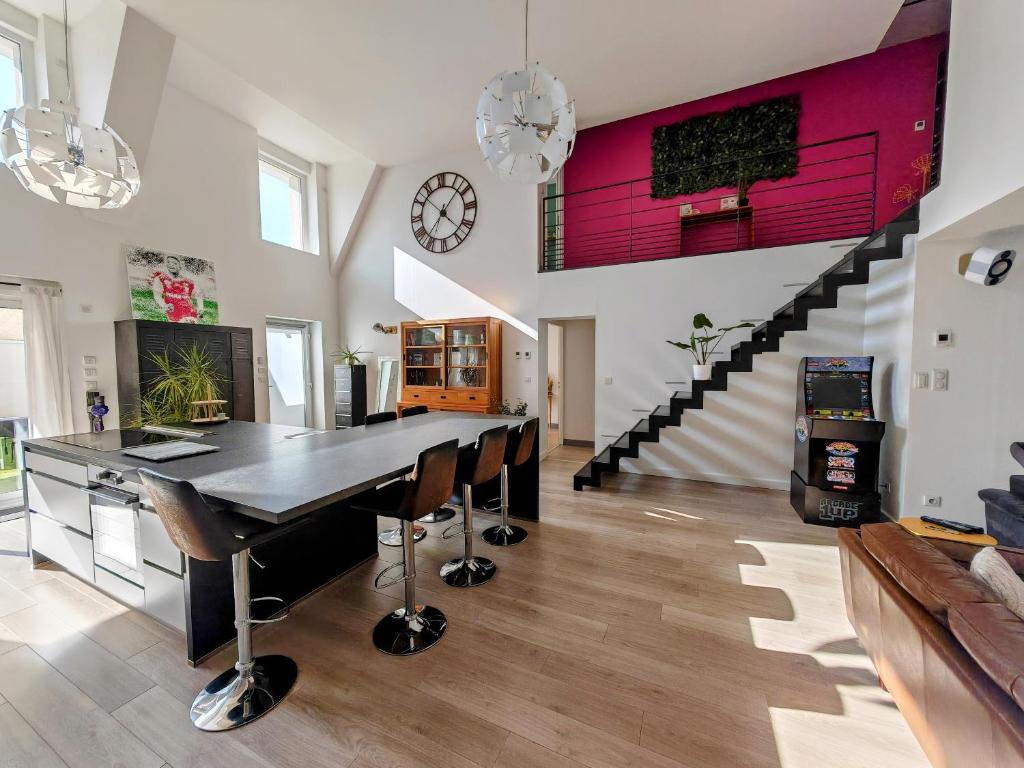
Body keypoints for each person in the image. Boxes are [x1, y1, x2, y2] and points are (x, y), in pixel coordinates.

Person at [151, 254, 204, 323]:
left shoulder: (189, 282)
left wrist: (200, 308)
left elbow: (199, 295)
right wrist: (164, 305)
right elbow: (157, 295)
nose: (171, 265)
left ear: (180, 265)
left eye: (174, 263)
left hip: (189, 313)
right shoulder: (161, 278)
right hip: (173, 315)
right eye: (168, 262)